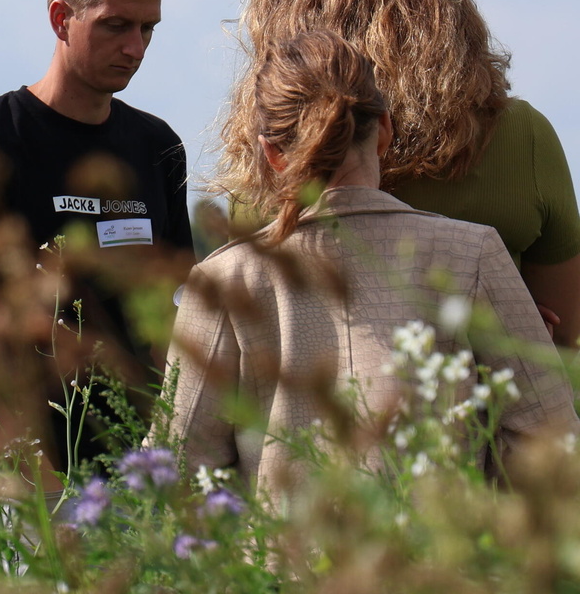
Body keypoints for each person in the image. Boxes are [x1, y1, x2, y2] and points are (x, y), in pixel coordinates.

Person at [163, 31, 578, 502]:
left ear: (272, 153)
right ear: (383, 129)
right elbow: (552, 440)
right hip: (444, 566)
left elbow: (180, 470)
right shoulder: (474, 253)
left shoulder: (223, 280)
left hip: (280, 570)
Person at [232, 0, 580, 344]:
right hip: (479, 404)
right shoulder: (521, 136)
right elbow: (559, 338)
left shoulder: (267, 150)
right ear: (441, 14)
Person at [0, 0, 191, 469]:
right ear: (61, 18)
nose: (135, 47)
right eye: (116, 26)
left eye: (148, 28)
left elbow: (165, 324)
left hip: (133, 469)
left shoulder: (159, 148)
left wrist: (171, 451)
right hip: (24, 474)